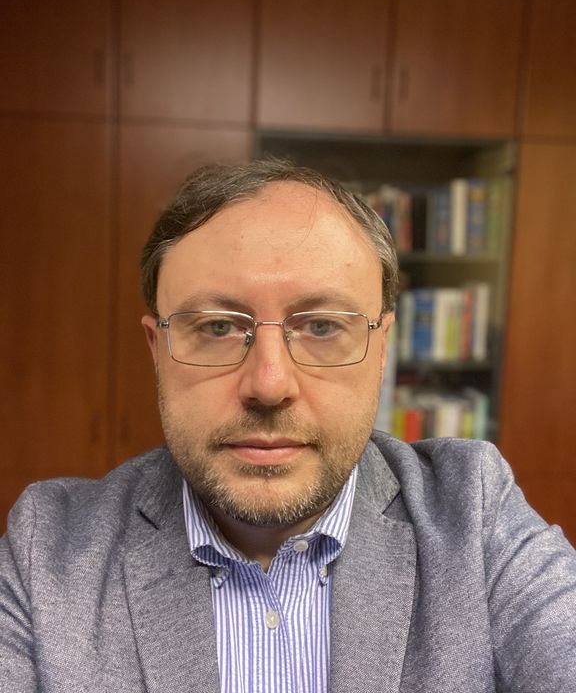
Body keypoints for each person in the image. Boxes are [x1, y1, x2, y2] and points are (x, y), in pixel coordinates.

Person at [1, 158, 575, 692]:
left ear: (381, 349)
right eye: (218, 327)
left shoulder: (474, 515)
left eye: (322, 326)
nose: (270, 384)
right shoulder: (45, 554)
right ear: (158, 350)